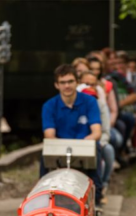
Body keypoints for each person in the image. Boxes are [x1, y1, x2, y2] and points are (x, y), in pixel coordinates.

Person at [41, 64, 103, 206]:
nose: (67, 86)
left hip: (85, 146)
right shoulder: (49, 106)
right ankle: (45, 197)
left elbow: (97, 132)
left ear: (77, 82)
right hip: (60, 147)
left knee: (96, 149)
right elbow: (49, 135)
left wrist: (83, 143)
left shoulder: (90, 101)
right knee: (44, 155)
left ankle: (97, 198)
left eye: (70, 81)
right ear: (57, 85)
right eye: (63, 82)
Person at [79, 71, 115, 200]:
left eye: (93, 84)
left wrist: (97, 141)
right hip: (78, 143)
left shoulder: (99, 104)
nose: (89, 87)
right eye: (86, 83)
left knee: (104, 151)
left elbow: (104, 130)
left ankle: (100, 190)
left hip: (94, 141)